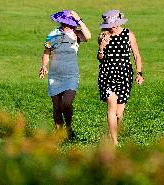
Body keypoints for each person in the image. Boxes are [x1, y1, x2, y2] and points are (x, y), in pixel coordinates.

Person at [39, 10, 91, 140]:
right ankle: (59, 133)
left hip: (71, 75)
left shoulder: (76, 34)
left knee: (66, 104)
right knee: (56, 107)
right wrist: (44, 66)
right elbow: (47, 52)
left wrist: (80, 21)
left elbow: (88, 36)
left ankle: (68, 127)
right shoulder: (53, 34)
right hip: (55, 75)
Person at [97, 10, 144, 145]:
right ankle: (114, 142)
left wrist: (139, 73)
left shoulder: (129, 35)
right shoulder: (103, 36)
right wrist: (101, 48)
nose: (112, 27)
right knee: (111, 106)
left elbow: (136, 56)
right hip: (107, 75)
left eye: (114, 24)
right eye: (110, 24)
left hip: (125, 75)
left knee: (119, 114)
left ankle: (110, 133)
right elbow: (100, 59)